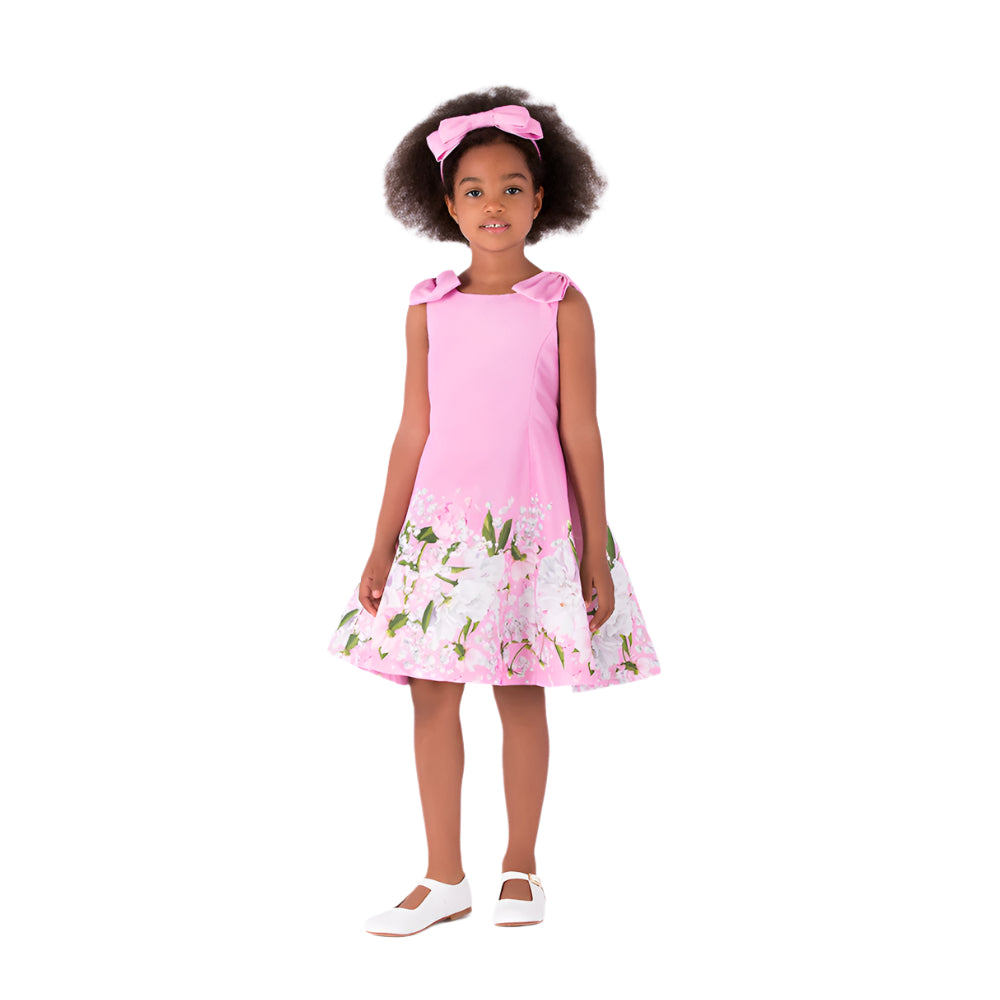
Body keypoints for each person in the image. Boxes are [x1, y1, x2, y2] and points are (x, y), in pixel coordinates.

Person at [327, 85, 662, 936]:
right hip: (441, 535)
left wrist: (592, 548)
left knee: (520, 692)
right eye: (473, 190)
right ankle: (443, 876)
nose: (493, 205)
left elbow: (581, 430)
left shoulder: (561, 304)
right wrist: (381, 545)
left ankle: (521, 866)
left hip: (530, 528)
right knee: (431, 696)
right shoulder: (427, 306)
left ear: (542, 197)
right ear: (447, 205)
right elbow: (413, 430)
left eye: (512, 187)